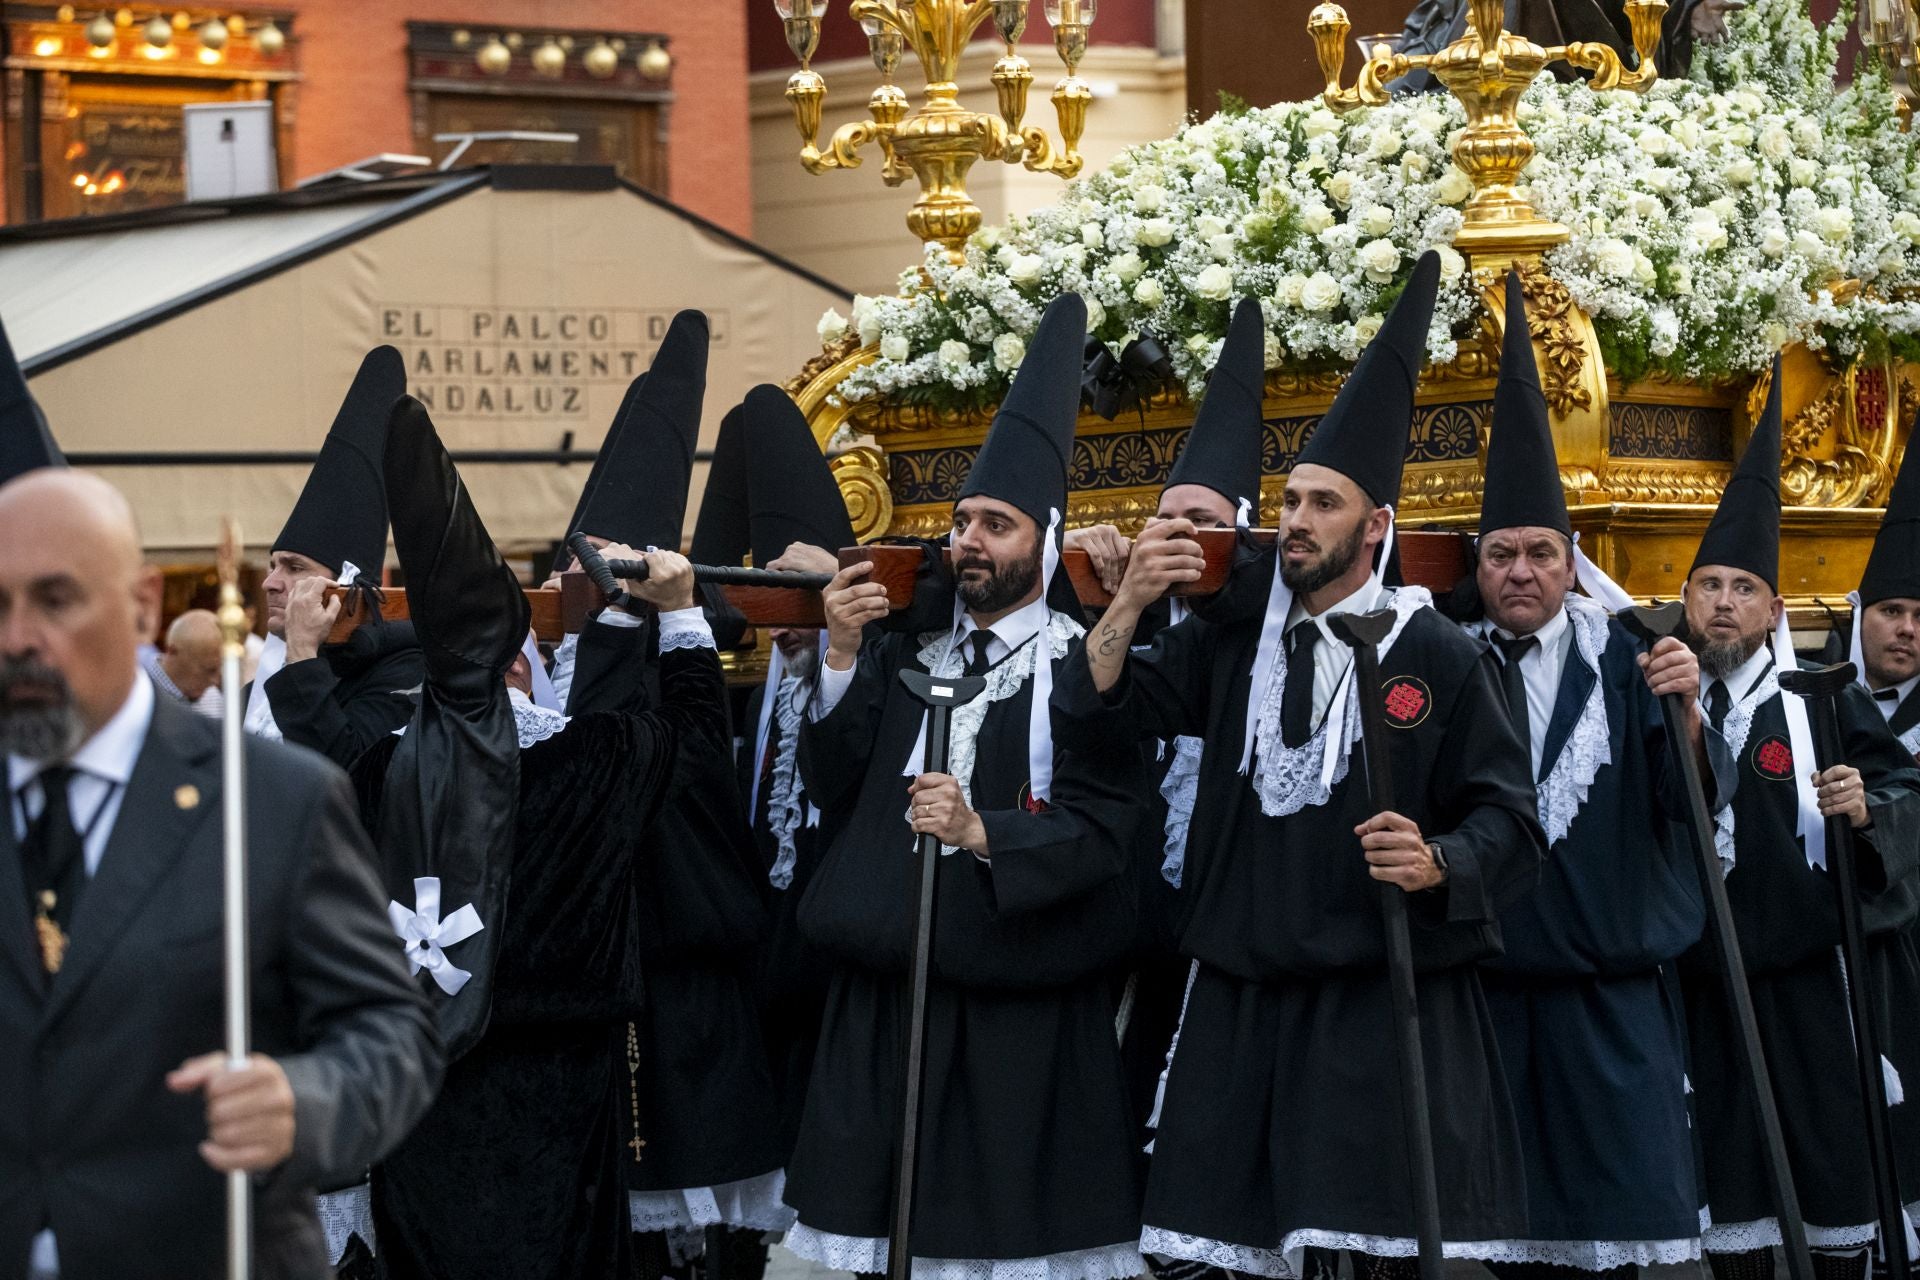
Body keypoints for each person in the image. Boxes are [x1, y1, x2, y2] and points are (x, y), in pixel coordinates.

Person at [1053, 253, 1545, 1280]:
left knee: (1368, 1257)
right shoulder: (1234, 641)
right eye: (1292, 499)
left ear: (1375, 527)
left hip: (1377, 1004)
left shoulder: (1437, 653)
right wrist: (1129, 603)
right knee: (1213, 1258)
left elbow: (1510, 819)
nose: (1298, 518)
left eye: (1324, 502)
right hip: (1239, 1001)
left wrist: (1440, 858)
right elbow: (1104, 713)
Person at [786, 292, 1150, 1278]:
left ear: (1045, 535)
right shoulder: (907, 652)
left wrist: (986, 832)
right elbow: (832, 784)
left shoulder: (1082, 665)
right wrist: (844, 650)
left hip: (1014, 1016)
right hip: (887, 1004)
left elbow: (1113, 828)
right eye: (959, 523)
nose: (970, 542)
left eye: (996, 522)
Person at [0, 468, 441, 1280]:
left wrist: (300, 1101)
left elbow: (393, 1037)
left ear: (141, 604)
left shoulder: (274, 800)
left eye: (55, 600)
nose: (18, 636)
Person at [336, 395, 736, 1280]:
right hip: (564, 1091)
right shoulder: (594, 759)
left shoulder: (373, 772)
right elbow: (702, 747)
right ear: (519, 653)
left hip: (420, 1085)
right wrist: (678, 613)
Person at [1460, 274, 1708, 1278]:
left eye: (1540, 554)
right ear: (1477, 565)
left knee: (1626, 1239)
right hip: (1484, 999)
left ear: (1571, 563)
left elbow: (1683, 802)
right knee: (1498, 1240)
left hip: (1610, 1000)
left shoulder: (1636, 660)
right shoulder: (1442, 665)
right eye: (1500, 554)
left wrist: (1690, 712)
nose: (1520, 572)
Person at [547, 313, 786, 1277]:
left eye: (593, 566)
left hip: (682, 986)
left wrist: (667, 615)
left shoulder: (657, 677)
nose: (573, 582)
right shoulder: (563, 670)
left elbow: (664, 768)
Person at [1674, 364, 1920, 1280]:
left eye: (1746, 587)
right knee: (1731, 1194)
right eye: (1711, 585)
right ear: (1686, 600)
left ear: (1776, 608)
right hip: (1703, 983)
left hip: (1815, 987)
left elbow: (1904, 796)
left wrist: (1865, 815)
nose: (1727, 602)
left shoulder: (1818, 698)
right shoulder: (1653, 696)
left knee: (1832, 1187)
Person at [1066, 297, 1268, 1183]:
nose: (1183, 531)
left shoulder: (1257, 631)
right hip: (1133, 925)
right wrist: (1122, 598)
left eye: (1207, 519)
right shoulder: (1134, 611)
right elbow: (1090, 711)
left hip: (1231, 929)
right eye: (1168, 515)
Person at [247, 347, 420, 765]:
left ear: (343, 583)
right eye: (273, 566)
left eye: (294, 567)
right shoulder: (251, 694)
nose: (270, 582)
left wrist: (303, 654)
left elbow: (342, 774)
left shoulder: (403, 673)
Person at [1846, 426, 1920, 756]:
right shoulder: (1806, 700)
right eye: (1891, 610)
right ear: (1860, 614)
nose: (1907, 629)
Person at [145, 609, 224, 719]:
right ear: (172, 652)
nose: (215, 681)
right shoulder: (139, 693)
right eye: (209, 670)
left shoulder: (213, 698)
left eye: (219, 669)